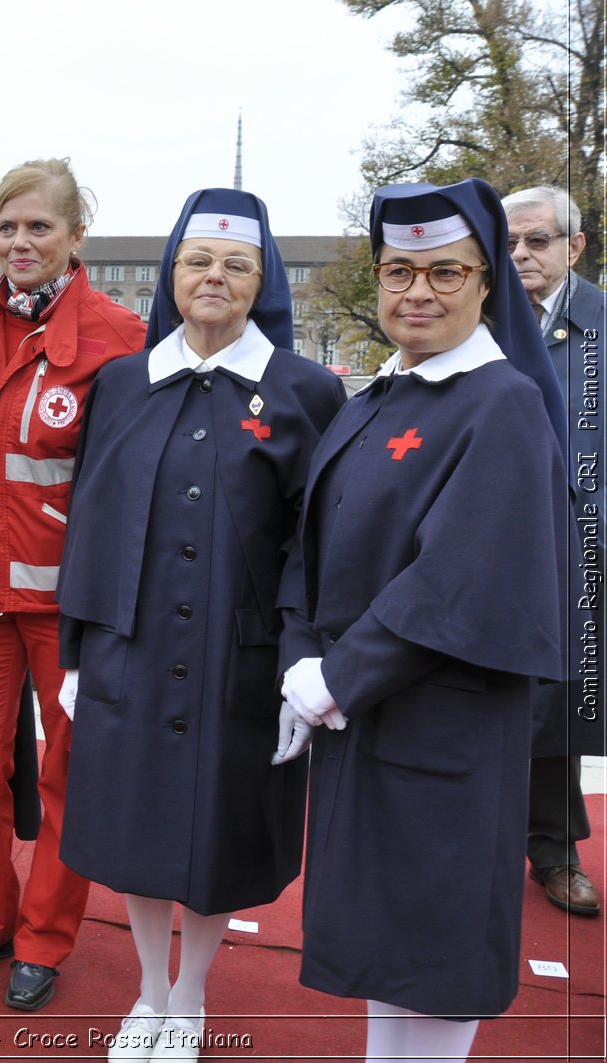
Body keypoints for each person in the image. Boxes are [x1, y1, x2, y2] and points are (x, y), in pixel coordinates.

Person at [281, 178, 569, 1062]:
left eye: (445, 271)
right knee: (383, 944)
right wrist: (298, 656)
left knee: (437, 949)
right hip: (362, 725)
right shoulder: (373, 399)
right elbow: (307, 540)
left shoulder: (502, 402)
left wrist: (334, 678)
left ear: (488, 282)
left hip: (444, 729)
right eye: (398, 270)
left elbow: (463, 577)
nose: (417, 291)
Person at [55, 189, 346, 1060]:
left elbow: (318, 541)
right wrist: (77, 649)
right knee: (141, 827)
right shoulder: (120, 383)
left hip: (240, 657)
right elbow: (91, 517)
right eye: (197, 261)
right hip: (132, 648)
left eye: (236, 265)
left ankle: (191, 996)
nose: (214, 277)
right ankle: (147, 991)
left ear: (264, 282)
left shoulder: (310, 391)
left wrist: (305, 660)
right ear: (169, 275)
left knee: (216, 831)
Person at [0, 158, 146, 1011]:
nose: (20, 243)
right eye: (7, 227)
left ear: (75, 238)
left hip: (67, 606)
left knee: (68, 774)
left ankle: (45, 936)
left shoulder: (121, 336)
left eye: (39, 228)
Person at [502, 184, 604, 919]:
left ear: (573, 247)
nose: (520, 255)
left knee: (557, 700)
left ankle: (554, 846)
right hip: (485, 537)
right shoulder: (473, 315)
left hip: (575, 542)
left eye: (537, 241)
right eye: (509, 242)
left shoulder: (599, 326)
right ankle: (465, 842)